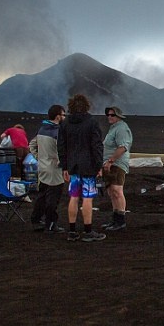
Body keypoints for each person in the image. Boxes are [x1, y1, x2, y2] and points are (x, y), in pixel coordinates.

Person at [57, 94, 106, 242]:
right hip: (89, 167)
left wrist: (64, 166)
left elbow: (61, 146)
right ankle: (88, 231)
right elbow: (96, 146)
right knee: (87, 198)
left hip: (73, 166)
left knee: (73, 197)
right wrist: (99, 165)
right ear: (86, 106)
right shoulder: (92, 123)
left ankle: (72, 231)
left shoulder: (65, 124)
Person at [29, 104, 66, 233]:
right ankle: (50, 224)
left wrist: (39, 158)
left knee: (42, 195)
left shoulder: (42, 129)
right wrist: (63, 163)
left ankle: (36, 219)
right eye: (63, 115)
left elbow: (32, 144)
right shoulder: (57, 132)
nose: (64, 117)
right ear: (57, 116)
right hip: (55, 169)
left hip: (42, 167)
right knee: (53, 198)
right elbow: (61, 150)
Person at [101, 106, 132, 232]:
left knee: (117, 190)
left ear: (118, 116)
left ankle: (120, 221)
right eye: (108, 115)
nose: (109, 117)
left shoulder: (122, 129)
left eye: (112, 115)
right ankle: (115, 219)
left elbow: (123, 147)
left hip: (117, 164)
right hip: (110, 164)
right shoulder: (114, 128)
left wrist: (110, 160)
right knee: (112, 191)